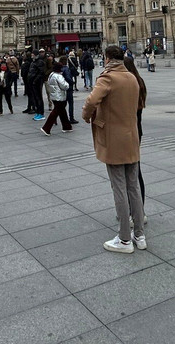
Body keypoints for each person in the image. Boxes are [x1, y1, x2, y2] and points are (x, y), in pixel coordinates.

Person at [82, 45, 145, 254]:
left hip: (114, 140)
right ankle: (140, 235)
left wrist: (86, 116)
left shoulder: (108, 78)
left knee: (119, 188)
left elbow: (91, 100)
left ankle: (125, 239)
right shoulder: (132, 78)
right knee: (133, 187)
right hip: (131, 137)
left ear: (107, 58)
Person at [123, 54, 148, 221]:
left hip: (127, 132)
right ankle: (138, 210)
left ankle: (135, 213)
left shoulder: (128, 85)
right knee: (135, 171)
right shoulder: (139, 82)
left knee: (129, 174)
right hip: (136, 130)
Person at [41, 60, 73, 135]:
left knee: (62, 112)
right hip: (60, 96)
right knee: (56, 112)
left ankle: (67, 126)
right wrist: (68, 84)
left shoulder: (51, 74)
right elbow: (65, 86)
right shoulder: (59, 76)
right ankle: (46, 128)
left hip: (54, 96)